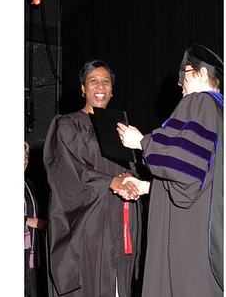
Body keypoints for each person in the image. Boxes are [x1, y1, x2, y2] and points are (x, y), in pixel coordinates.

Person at [117, 43, 223, 297]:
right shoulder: (222, 112)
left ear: (201, 74)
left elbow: (183, 166)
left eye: (184, 74)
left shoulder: (200, 103)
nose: (180, 83)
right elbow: (200, 176)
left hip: (190, 238)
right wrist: (148, 187)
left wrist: (141, 142)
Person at [43, 60, 143, 297]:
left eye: (106, 81)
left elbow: (130, 170)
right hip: (88, 227)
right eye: (94, 81)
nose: (100, 86)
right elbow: (67, 172)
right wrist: (109, 182)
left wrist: (131, 182)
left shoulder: (120, 128)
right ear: (83, 88)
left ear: (112, 89)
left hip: (120, 222)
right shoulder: (67, 125)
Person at [25, 142, 48, 297]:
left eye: (26, 157)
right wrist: (28, 221)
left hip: (31, 250)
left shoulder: (29, 184)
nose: (24, 160)